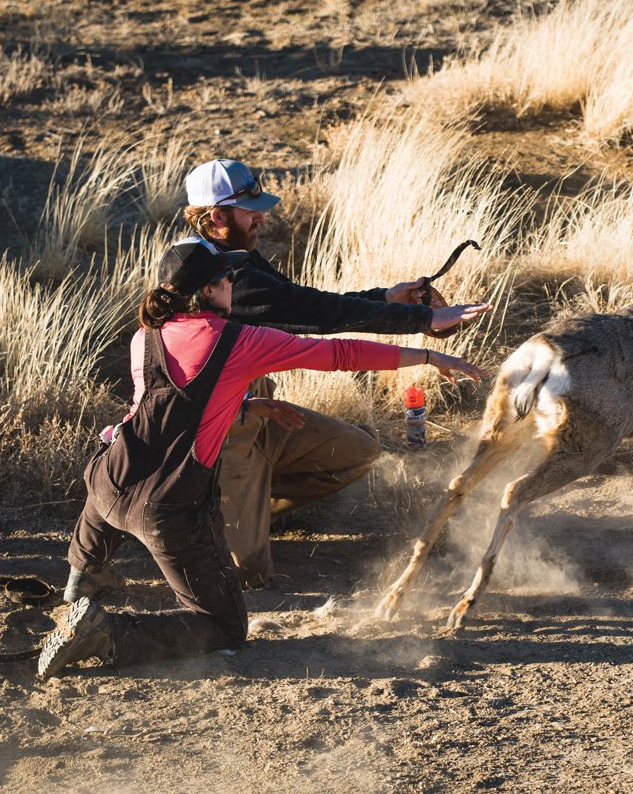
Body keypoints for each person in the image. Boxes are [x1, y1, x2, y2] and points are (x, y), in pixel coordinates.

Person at [39, 240, 485, 678]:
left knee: (109, 487)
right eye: (228, 277)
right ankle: (105, 634)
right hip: (167, 508)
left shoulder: (145, 337)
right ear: (211, 292)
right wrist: (427, 355)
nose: (236, 281)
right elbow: (340, 354)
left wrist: (245, 407)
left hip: (108, 481)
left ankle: (79, 584)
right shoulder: (238, 340)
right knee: (224, 628)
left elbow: (162, 410)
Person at [65, 158, 490, 598]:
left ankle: (251, 506)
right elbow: (319, 323)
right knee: (246, 576)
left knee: (358, 451)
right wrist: (421, 319)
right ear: (217, 217)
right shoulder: (221, 278)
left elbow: (299, 306)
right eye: (250, 209)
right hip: (221, 438)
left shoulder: (228, 259)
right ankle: (214, 513)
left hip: (256, 413)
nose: (261, 216)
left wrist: (386, 299)